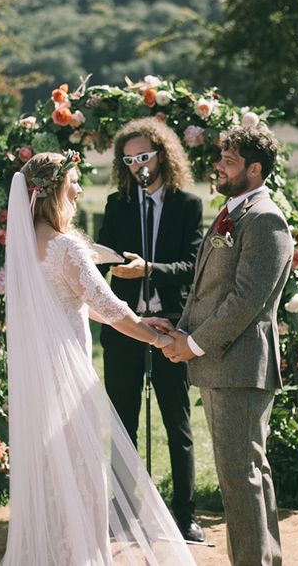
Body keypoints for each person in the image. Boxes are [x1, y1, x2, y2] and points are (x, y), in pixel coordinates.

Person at [1, 151, 196, 565]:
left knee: (52, 469)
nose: (79, 189)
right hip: (68, 374)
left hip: (37, 374)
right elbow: (108, 307)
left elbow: (76, 301)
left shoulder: (22, 245)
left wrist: (141, 319)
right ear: (53, 191)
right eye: (73, 181)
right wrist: (155, 339)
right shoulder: (66, 246)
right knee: (83, 468)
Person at [163, 125, 293, 566]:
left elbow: (245, 302)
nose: (218, 164)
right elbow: (206, 290)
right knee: (248, 473)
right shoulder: (233, 212)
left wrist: (194, 344)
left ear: (255, 170)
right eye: (220, 155)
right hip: (221, 364)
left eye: (229, 160)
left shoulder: (264, 219)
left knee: (241, 477)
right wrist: (178, 331)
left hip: (239, 365)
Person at [97, 118, 204, 542]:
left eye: (144, 156)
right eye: (129, 160)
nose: (137, 166)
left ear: (162, 155)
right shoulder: (116, 204)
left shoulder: (188, 204)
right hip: (126, 327)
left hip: (170, 327)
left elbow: (194, 268)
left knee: (176, 422)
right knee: (123, 422)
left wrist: (150, 270)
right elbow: (103, 257)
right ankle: (125, 508)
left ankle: (185, 514)